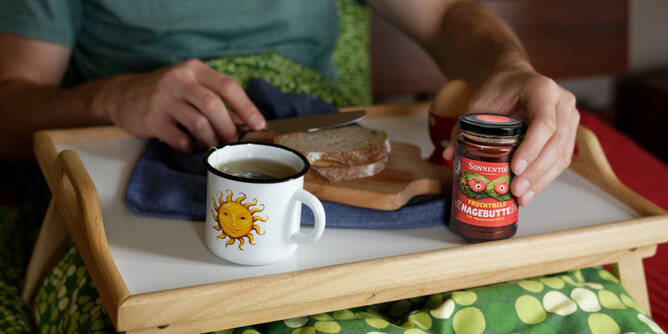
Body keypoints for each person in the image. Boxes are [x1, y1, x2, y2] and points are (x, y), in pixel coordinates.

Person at [3, 1, 652, 334]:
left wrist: (508, 67)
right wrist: (109, 96)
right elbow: (11, 107)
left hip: (328, 155)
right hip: (140, 166)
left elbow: (451, 15)